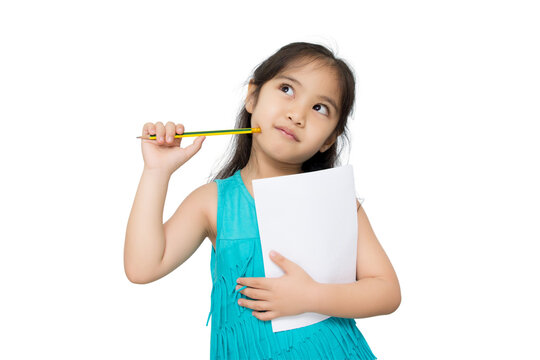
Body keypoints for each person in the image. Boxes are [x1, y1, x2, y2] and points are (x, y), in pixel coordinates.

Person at [125, 41, 401, 359]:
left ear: (329, 139)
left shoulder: (336, 202)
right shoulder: (212, 202)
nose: (297, 114)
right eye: (287, 89)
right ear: (252, 97)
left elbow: (386, 291)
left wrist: (311, 296)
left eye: (320, 108)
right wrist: (156, 172)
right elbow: (141, 268)